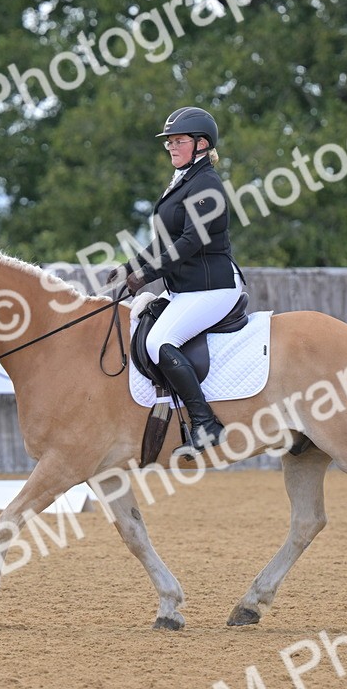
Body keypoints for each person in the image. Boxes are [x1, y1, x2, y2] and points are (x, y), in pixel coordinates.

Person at [107, 106, 243, 459]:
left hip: (213, 288)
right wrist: (129, 267)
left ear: (201, 143)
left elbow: (189, 243)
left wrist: (145, 276)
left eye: (178, 140)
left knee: (160, 342)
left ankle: (205, 422)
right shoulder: (184, 180)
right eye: (169, 141)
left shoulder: (207, 185)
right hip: (185, 288)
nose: (171, 146)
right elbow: (164, 241)